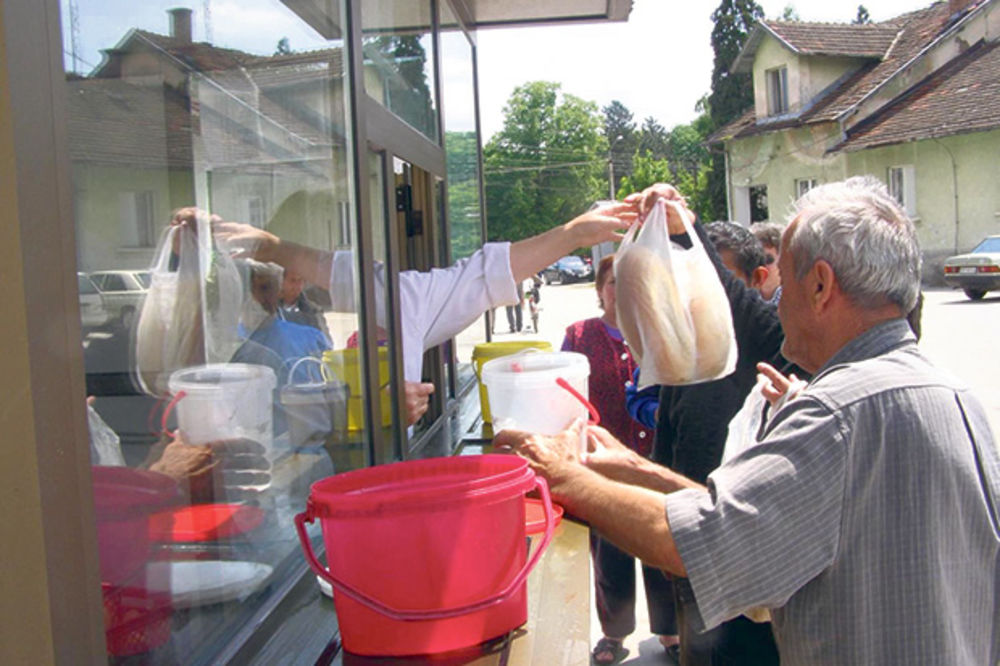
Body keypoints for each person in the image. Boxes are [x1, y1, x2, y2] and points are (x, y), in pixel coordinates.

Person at [496, 177, 1000, 665]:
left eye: (788, 283)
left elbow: (703, 544)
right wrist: (630, 466)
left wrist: (563, 475)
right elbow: (747, 511)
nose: (775, 306)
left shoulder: (835, 413)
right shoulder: (956, 397)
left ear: (820, 285)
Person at [182, 202, 634, 424]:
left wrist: (574, 234)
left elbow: (490, 269)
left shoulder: (405, 292)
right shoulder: (382, 288)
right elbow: (302, 257)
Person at [560, 254, 678, 665]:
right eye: (613, 283)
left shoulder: (660, 334)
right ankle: (614, 634)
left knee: (661, 543)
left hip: (656, 459)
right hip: (603, 459)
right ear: (599, 291)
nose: (621, 291)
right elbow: (563, 394)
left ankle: (670, 629)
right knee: (609, 551)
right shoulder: (578, 335)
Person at [278, 267, 332, 340]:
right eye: (292, 280)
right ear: (282, 282)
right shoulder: (271, 309)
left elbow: (325, 341)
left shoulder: (313, 311)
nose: (297, 286)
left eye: (300, 280)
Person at [749, 221, 784, 303]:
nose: (761, 266)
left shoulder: (796, 298)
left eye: (768, 259)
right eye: (755, 259)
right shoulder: (742, 299)